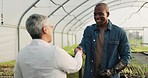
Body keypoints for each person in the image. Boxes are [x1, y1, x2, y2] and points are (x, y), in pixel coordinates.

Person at [14, 14, 83, 78]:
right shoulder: (54, 52)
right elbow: (75, 66)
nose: (52, 29)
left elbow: (18, 76)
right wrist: (79, 53)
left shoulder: (22, 54)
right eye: (51, 27)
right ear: (45, 29)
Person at [76, 3, 131, 78]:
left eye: (100, 14)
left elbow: (126, 57)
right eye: (95, 14)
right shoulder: (89, 30)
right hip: (90, 75)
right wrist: (79, 49)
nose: (97, 17)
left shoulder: (119, 33)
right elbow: (83, 45)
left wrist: (112, 71)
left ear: (107, 14)